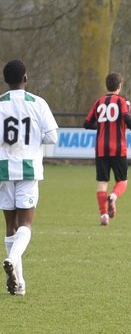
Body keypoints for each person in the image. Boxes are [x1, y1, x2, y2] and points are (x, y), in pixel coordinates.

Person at [1, 60, 59, 296]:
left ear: (5, 80)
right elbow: (52, 137)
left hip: (4, 169)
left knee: (10, 226)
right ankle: (13, 259)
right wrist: (35, 141)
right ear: (25, 78)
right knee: (26, 224)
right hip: (28, 169)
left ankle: (19, 284)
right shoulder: (37, 103)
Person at [83, 72, 131, 225]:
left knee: (102, 182)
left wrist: (101, 126)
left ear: (107, 86)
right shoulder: (121, 101)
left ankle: (104, 215)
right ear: (119, 86)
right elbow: (127, 117)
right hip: (118, 147)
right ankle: (113, 196)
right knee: (122, 180)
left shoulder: (99, 102)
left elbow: (87, 124)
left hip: (101, 148)